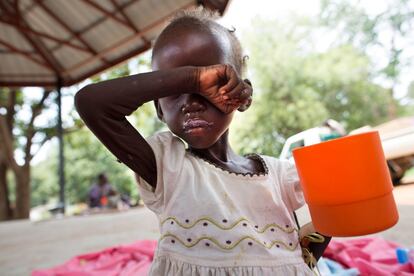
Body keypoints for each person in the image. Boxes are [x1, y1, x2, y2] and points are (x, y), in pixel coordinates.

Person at [75, 8, 331, 275]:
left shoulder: (279, 177)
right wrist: (195, 77)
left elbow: (321, 229)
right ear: (159, 110)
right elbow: (90, 103)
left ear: (243, 95)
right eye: (174, 90)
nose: (191, 102)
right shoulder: (167, 168)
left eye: (213, 83)